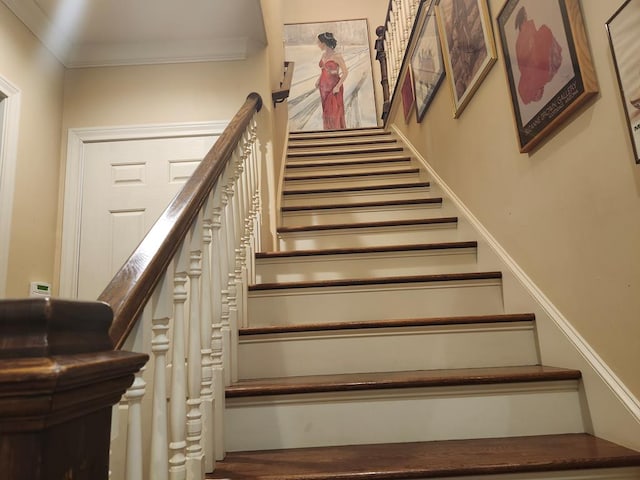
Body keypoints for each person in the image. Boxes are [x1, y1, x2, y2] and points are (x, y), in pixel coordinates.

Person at [514, 6, 563, 105]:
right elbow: (525, 57)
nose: (527, 17)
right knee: (545, 31)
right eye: (525, 16)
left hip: (533, 66)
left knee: (544, 32)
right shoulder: (525, 32)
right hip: (533, 65)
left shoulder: (522, 36)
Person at [315, 32, 348, 130]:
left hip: (334, 87)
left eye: (319, 42)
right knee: (326, 112)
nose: (318, 44)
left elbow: (345, 73)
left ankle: (337, 132)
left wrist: (337, 86)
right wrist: (318, 80)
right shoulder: (323, 55)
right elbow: (323, 70)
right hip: (323, 87)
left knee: (334, 111)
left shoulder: (337, 56)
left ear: (324, 43)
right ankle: (328, 132)